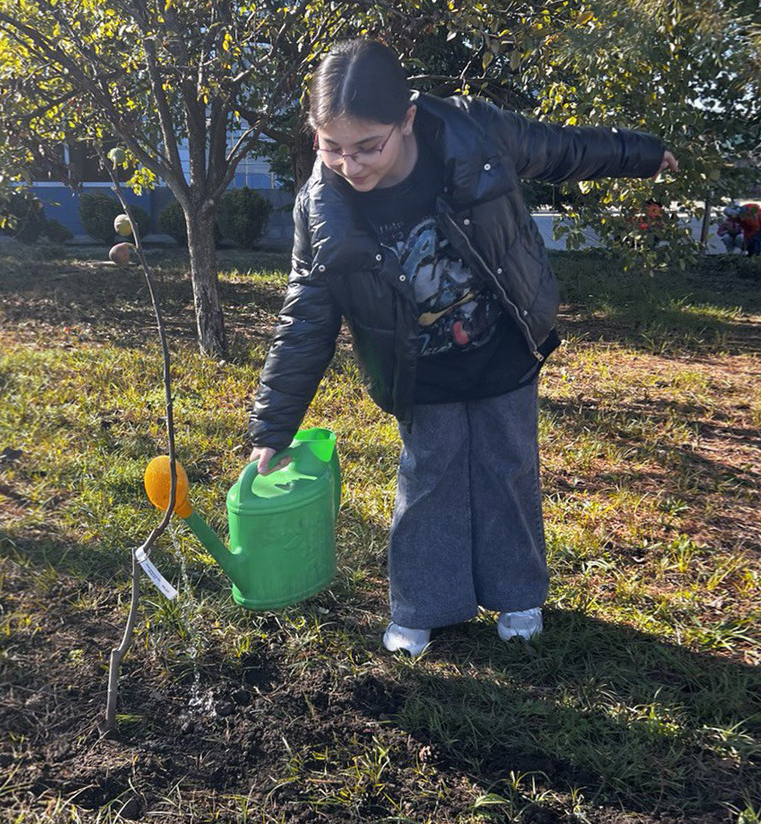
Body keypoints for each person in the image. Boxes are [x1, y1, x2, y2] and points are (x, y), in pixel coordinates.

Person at [247, 39, 677, 657]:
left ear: (408, 120)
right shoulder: (321, 210)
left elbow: (561, 148)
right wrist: (275, 424)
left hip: (503, 338)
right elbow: (305, 319)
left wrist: (638, 152)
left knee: (508, 465)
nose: (352, 165)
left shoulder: (474, 132)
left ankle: (517, 591)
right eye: (332, 146)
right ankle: (423, 604)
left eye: (370, 146)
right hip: (418, 365)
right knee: (430, 477)